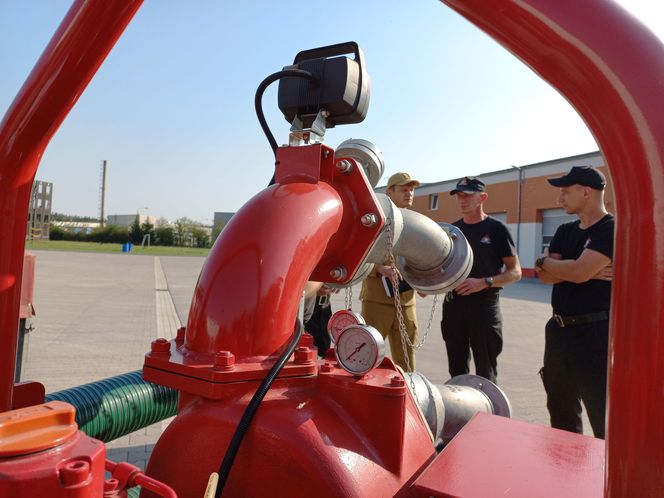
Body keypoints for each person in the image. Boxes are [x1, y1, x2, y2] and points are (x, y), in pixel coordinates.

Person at [535, 166, 614, 439]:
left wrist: (554, 265)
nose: (560, 199)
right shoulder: (564, 230)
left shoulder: (611, 228)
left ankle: (605, 479)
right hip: (558, 332)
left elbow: (578, 272)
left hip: (594, 335)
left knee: (601, 414)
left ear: (586, 191)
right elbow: (544, 277)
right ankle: (566, 473)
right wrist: (549, 265)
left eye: (565, 192)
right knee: (561, 410)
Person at [441, 176, 521, 383]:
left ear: (482, 197)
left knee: (486, 373)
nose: (462, 199)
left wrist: (484, 282)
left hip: (484, 308)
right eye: (458, 195)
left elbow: (515, 272)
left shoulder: (497, 229)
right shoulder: (453, 232)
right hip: (454, 307)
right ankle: (460, 412)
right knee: (456, 370)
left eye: (467, 195)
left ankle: (488, 413)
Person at [360, 172, 421, 371]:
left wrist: (425, 281)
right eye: (404, 189)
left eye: (411, 190)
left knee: (406, 360)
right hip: (377, 301)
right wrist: (379, 269)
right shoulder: (374, 221)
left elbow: (422, 258)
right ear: (389, 192)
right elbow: (360, 257)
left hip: (406, 302)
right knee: (369, 356)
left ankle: (408, 397)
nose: (409, 193)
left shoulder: (418, 224)